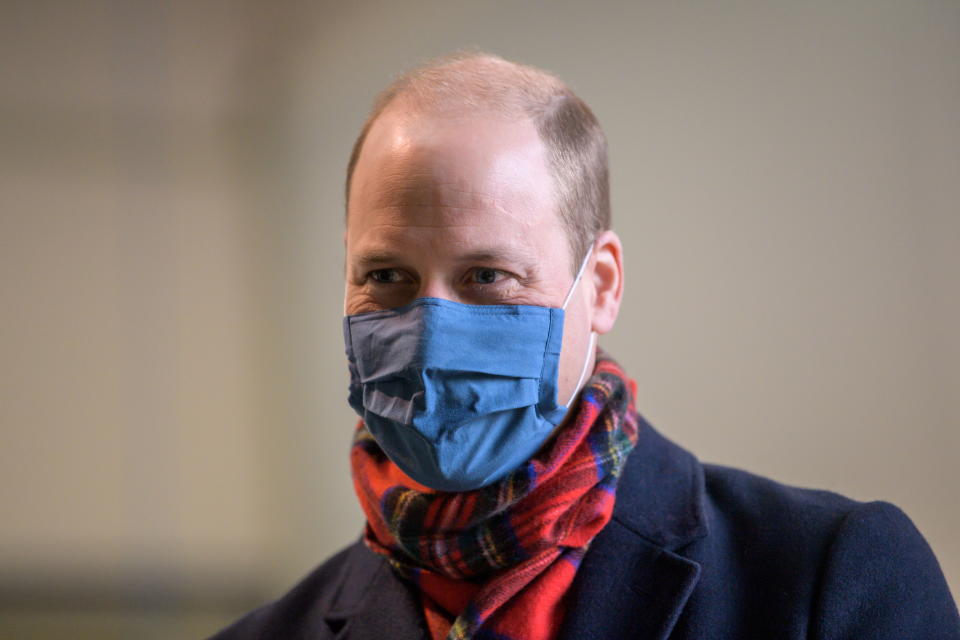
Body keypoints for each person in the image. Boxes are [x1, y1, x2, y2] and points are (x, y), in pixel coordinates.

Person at [211, 51, 959, 640]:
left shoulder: (827, 579)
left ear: (599, 286)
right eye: (385, 275)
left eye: (487, 275)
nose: (431, 329)